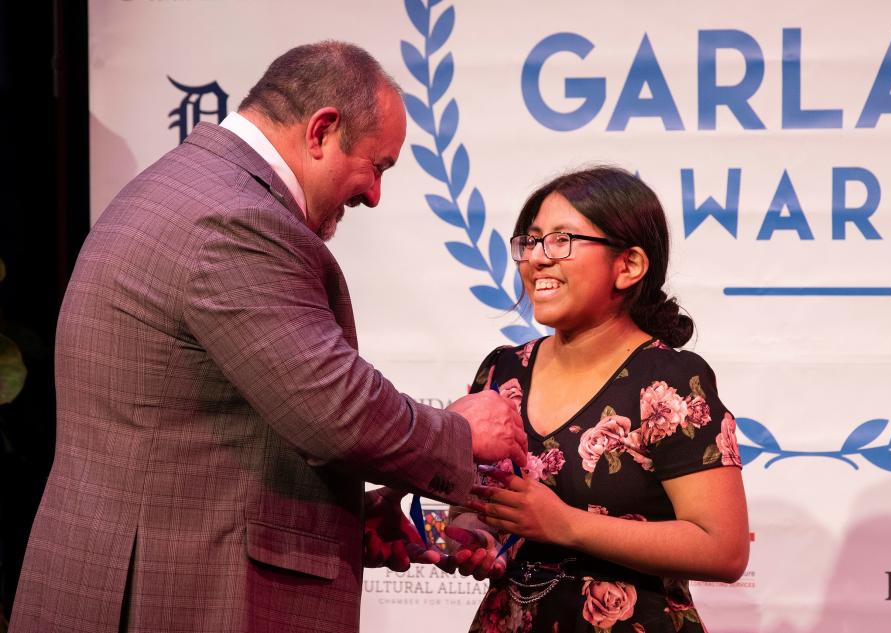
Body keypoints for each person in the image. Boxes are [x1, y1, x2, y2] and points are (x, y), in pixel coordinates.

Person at [8, 41, 526, 633]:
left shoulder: (189, 186)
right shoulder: (236, 218)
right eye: (377, 166)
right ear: (322, 131)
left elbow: (208, 435)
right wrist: (459, 432)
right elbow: (335, 411)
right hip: (177, 592)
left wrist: (342, 513)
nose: (374, 195)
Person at [449, 167, 749, 633]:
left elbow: (723, 549)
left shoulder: (670, 384)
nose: (538, 259)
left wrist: (566, 525)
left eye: (562, 240)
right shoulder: (502, 370)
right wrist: (475, 532)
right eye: (530, 242)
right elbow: (474, 498)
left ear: (628, 265)